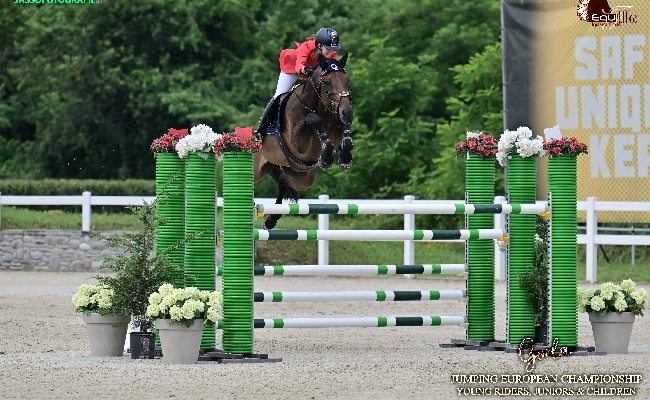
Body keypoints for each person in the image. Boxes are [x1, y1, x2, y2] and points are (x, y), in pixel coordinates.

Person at [254, 27, 341, 138]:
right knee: (279, 95)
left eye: (333, 49)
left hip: (312, 72)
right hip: (292, 68)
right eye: (328, 49)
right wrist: (306, 70)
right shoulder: (307, 47)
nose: (331, 52)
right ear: (319, 45)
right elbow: (299, 65)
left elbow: (333, 68)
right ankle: (263, 126)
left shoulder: (332, 53)